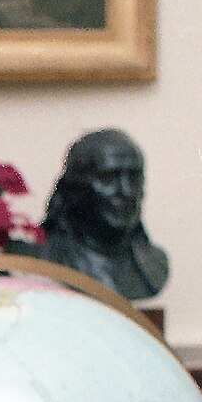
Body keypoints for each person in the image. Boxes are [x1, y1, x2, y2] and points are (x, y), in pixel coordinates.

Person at [38, 128, 170, 301]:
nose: (126, 191)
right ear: (75, 188)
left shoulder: (155, 263)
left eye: (134, 178)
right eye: (108, 178)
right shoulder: (47, 257)